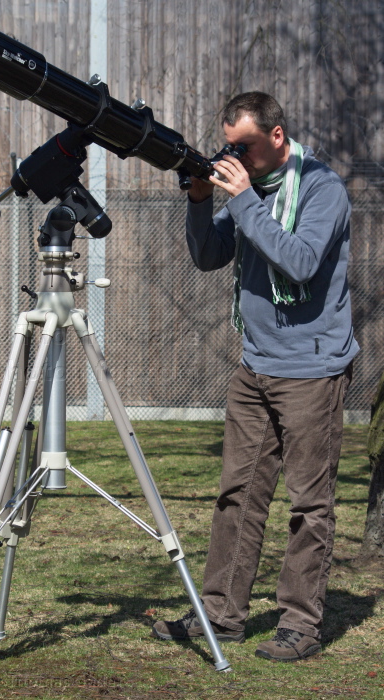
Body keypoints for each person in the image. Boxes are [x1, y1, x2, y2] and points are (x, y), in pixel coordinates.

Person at [152, 92, 359, 661]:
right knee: (236, 497)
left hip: (312, 370)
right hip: (255, 366)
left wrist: (241, 199)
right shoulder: (252, 191)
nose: (232, 155)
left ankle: (300, 624)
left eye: (242, 145)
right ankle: (220, 614)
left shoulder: (322, 188)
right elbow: (209, 255)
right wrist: (200, 200)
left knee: (308, 504)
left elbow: (298, 260)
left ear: (276, 135)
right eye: (227, 144)